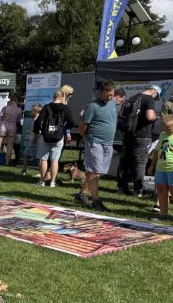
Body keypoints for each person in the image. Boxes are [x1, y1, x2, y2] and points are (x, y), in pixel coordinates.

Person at [76, 80, 117, 211]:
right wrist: (85, 138)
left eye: (111, 95)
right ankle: (96, 201)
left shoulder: (112, 103)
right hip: (95, 142)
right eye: (107, 95)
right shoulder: (92, 106)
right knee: (94, 172)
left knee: (97, 172)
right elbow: (83, 126)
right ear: (100, 92)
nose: (109, 97)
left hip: (108, 143)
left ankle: (82, 194)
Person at [117, 85, 159, 196]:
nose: (154, 99)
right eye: (156, 97)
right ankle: (138, 190)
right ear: (154, 93)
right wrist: (156, 117)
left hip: (128, 133)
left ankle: (121, 188)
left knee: (124, 161)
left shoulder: (132, 97)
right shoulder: (149, 99)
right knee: (140, 162)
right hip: (142, 135)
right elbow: (150, 117)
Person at [32, 88, 77, 187]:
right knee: (54, 160)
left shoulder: (46, 107)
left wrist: (37, 132)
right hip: (58, 137)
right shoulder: (65, 108)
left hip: (45, 136)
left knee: (44, 159)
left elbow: (38, 121)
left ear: (54, 97)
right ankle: (53, 182)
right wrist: (64, 128)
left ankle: (42, 181)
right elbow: (73, 122)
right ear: (62, 98)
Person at [150, 115, 173, 218]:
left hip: (171, 168)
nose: (166, 129)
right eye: (164, 127)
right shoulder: (162, 135)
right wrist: (152, 165)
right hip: (160, 168)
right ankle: (163, 214)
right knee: (161, 189)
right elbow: (156, 151)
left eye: (169, 128)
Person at [0, 95, 22, 166]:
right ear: (16, 101)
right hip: (13, 126)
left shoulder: (5, 108)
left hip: (4, 126)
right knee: (10, 146)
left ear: (10, 101)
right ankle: (7, 162)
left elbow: (1, 117)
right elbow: (18, 120)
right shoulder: (19, 110)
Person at [20, 104, 42, 177]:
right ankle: (24, 170)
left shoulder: (38, 120)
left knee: (38, 157)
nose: (31, 112)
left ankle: (40, 172)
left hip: (35, 141)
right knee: (26, 154)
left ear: (35, 111)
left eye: (32, 110)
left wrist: (35, 140)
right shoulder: (35, 119)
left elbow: (38, 132)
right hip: (32, 141)